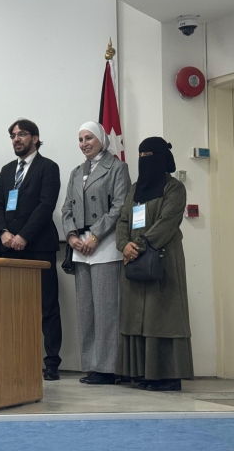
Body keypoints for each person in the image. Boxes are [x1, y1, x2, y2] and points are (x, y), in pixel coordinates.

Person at [116, 137, 193, 391]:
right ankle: (142, 372)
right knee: (135, 316)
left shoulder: (175, 188)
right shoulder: (135, 189)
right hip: (133, 261)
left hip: (163, 259)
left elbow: (168, 221)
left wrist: (138, 245)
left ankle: (168, 376)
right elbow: (123, 219)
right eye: (141, 155)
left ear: (162, 158)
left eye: (150, 155)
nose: (144, 160)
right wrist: (123, 245)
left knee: (162, 315)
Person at [61, 122, 131, 385]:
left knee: (106, 309)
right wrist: (71, 236)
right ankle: (92, 364)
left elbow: (120, 206)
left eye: (89, 138)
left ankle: (109, 367)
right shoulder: (76, 171)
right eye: (80, 139)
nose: (84, 144)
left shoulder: (117, 168)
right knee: (86, 310)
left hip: (105, 244)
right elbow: (66, 209)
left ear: (101, 138)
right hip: (80, 247)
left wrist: (96, 235)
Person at [0, 118, 62, 380]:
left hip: (38, 247)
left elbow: (46, 205)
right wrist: (3, 232)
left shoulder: (48, 167)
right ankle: (16, 359)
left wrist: (24, 236)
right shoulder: (7, 170)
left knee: (47, 307)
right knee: (12, 308)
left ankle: (52, 362)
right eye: (13, 135)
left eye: (21, 134)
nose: (16, 139)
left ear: (35, 138)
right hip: (9, 247)